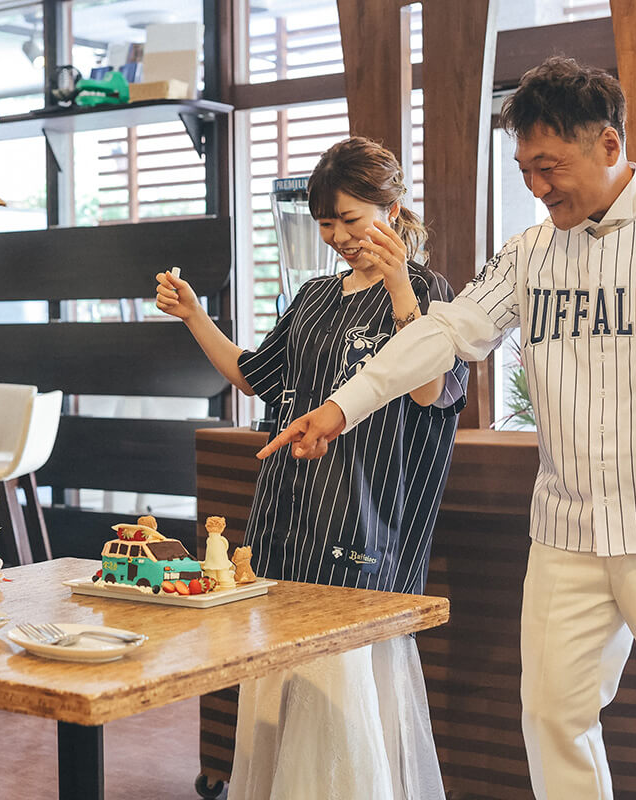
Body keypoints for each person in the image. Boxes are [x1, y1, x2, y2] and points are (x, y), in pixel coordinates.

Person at [260, 56, 636, 800]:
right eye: (525, 171)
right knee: (551, 718)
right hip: (566, 533)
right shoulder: (529, 253)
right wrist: (341, 407)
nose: (537, 187)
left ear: (609, 144)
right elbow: (445, 334)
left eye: (550, 166)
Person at [156, 136, 468, 800]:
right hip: (289, 515)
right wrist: (194, 316)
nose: (338, 238)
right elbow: (256, 377)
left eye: (350, 220)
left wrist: (397, 284)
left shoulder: (430, 292)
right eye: (326, 224)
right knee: (279, 681)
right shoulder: (314, 296)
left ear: (391, 208)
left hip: (367, 523)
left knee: (345, 688)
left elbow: (429, 391)